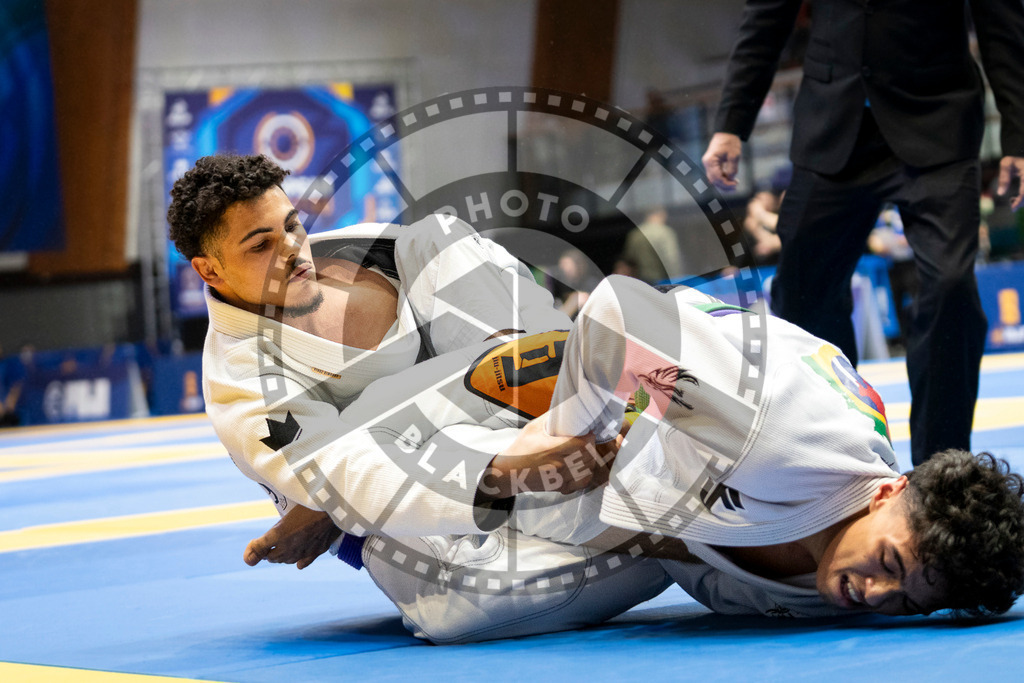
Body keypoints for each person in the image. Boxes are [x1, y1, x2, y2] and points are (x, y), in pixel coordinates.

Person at [249, 275, 1024, 634]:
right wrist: (565, 433)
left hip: (674, 529)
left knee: (460, 611)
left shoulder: (872, 579)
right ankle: (343, 471)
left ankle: (360, 523)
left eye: (910, 600)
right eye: (889, 564)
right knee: (487, 468)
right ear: (888, 492)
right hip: (617, 398)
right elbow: (618, 314)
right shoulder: (777, 438)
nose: (875, 593)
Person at [167, 154, 671, 642]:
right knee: (455, 611)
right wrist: (503, 470)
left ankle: (677, 530)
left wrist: (325, 507)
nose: (293, 251)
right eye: (261, 246)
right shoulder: (242, 384)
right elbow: (344, 475)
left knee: (442, 244)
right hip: (413, 513)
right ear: (210, 271)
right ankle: (675, 545)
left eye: (293, 226)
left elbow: (548, 359)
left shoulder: (410, 250)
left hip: (534, 439)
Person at [701, 0, 1024, 466]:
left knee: (951, 286)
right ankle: (843, 456)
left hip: (938, 119)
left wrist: (1017, 133)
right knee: (802, 291)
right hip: (834, 125)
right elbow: (766, 18)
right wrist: (731, 124)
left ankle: (940, 470)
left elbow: (1001, 20)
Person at [618, 208, 682, 285]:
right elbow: (671, 259)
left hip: (643, 282)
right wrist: (677, 282)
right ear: (662, 214)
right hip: (663, 281)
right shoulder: (665, 232)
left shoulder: (635, 234)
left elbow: (629, 259)